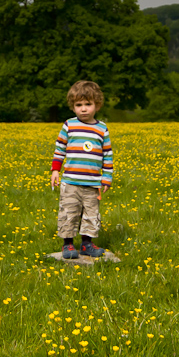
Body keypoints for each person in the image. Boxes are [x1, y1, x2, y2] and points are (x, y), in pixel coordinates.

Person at [51, 80, 113, 259]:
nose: (83, 109)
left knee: (91, 214)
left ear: (97, 105)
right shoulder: (69, 126)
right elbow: (59, 149)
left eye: (88, 104)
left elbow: (107, 155)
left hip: (92, 183)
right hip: (70, 182)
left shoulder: (101, 129)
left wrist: (106, 178)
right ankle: (68, 245)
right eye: (79, 105)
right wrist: (56, 170)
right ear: (73, 107)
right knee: (69, 212)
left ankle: (87, 244)